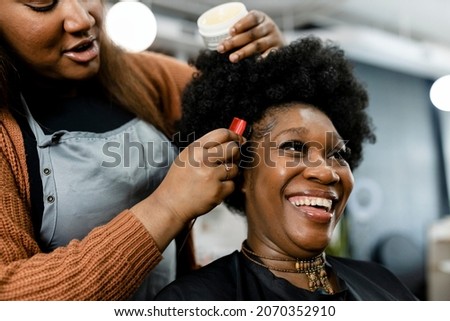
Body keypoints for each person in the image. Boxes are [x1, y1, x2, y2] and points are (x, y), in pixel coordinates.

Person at [0, 0, 285, 300]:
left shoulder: (140, 76)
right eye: (42, 4)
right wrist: (167, 207)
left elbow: (261, 127)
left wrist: (272, 64)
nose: (82, 19)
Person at [155, 36, 418, 300]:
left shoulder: (382, 282)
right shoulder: (193, 300)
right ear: (240, 169)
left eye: (337, 154)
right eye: (294, 147)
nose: (327, 172)